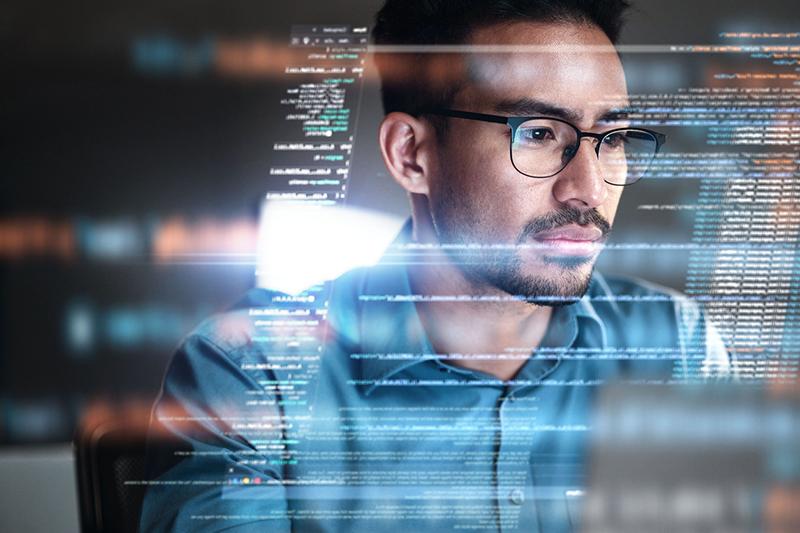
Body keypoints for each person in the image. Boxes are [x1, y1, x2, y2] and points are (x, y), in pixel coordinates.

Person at [140, 1, 730, 531]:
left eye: (613, 136)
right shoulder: (254, 372)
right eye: (539, 133)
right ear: (410, 154)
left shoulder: (676, 349)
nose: (589, 187)